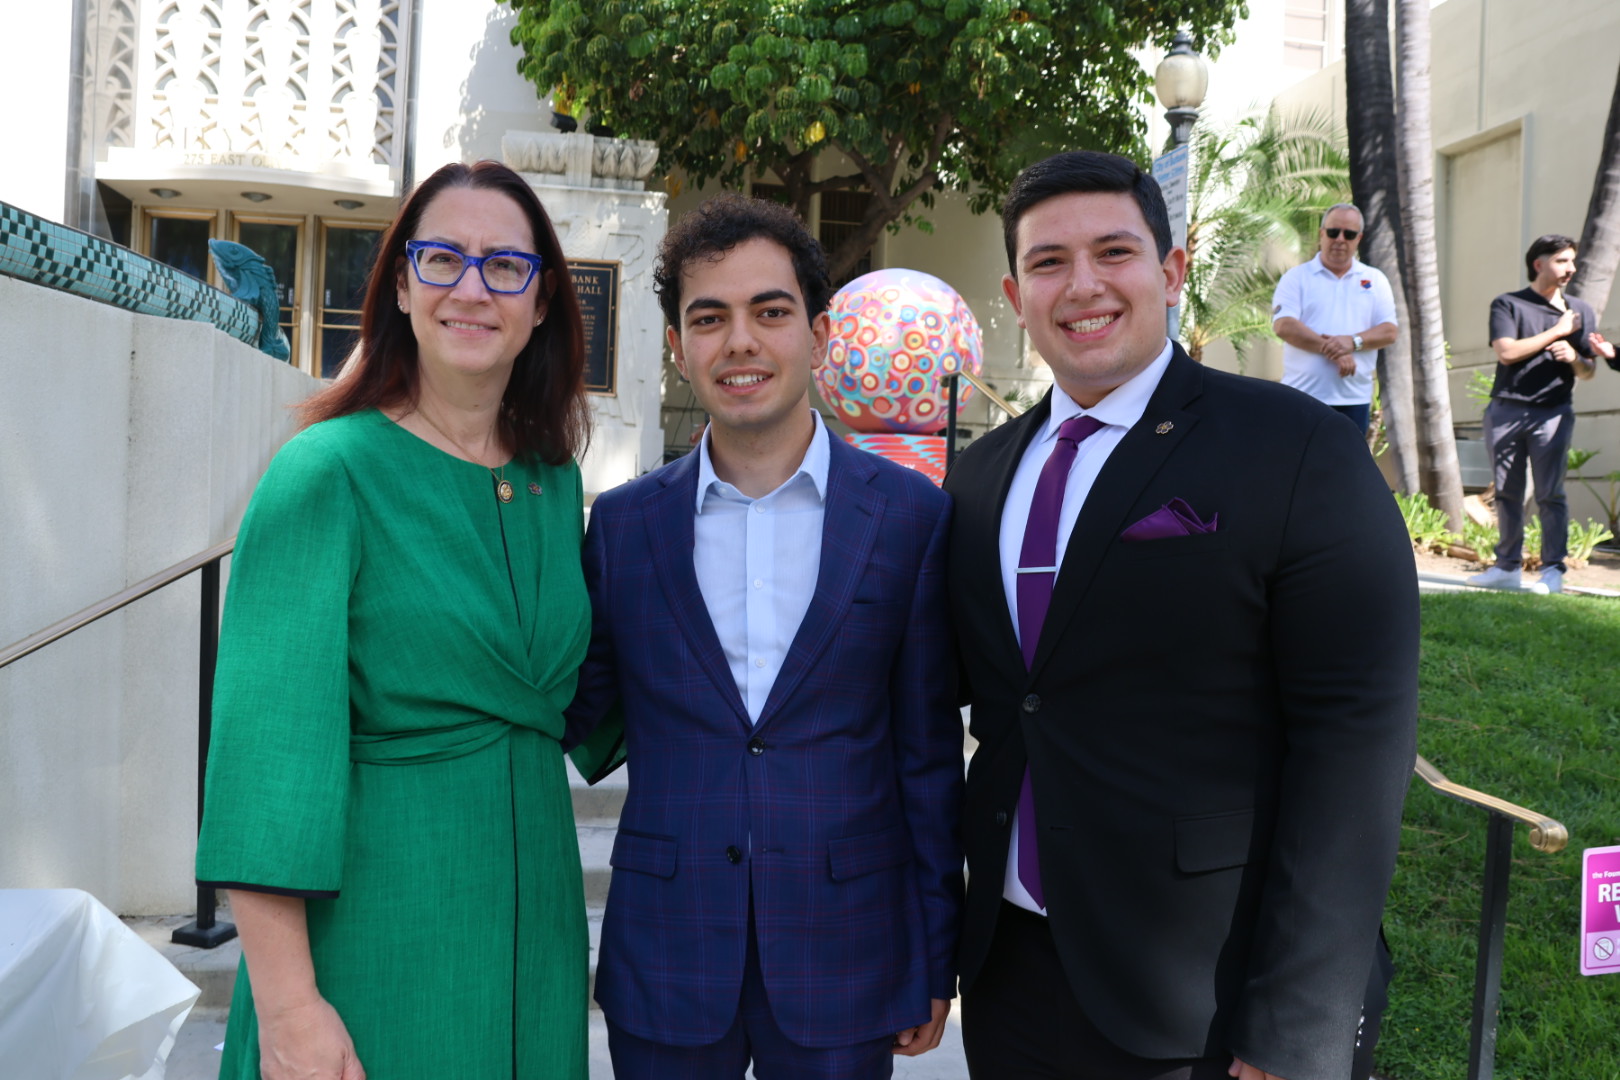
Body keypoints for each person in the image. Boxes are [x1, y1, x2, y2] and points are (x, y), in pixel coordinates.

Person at [943, 150, 1418, 1080]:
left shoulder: (1295, 448)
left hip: (1208, 993)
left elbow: (1356, 736)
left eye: (1113, 252)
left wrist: (1299, 1020)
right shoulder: (980, 475)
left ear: (1169, 270)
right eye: (1048, 263)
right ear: (1015, 291)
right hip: (1014, 979)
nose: (1082, 286)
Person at [195, 160, 594, 1080]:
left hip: (533, 944)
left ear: (541, 304)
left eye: (505, 266)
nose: (471, 287)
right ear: (403, 284)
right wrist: (291, 1008)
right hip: (375, 944)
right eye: (443, 258)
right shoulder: (325, 474)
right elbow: (265, 773)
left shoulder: (549, 483)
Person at [565, 193, 963, 1079]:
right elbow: (577, 705)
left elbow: (926, 756)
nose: (740, 341)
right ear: (677, 347)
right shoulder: (623, 527)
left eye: (770, 312)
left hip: (846, 954)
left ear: (818, 335)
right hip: (667, 952)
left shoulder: (909, 518)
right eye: (709, 319)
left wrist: (936, 950)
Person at [1468, 233, 1616, 594]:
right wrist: (1557, 332)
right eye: (1562, 261)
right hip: (1506, 409)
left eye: (1572, 261)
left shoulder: (1581, 310)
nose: (1571, 268)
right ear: (1539, 264)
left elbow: (1589, 370)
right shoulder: (1508, 304)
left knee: (1551, 494)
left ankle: (1552, 571)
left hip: (1553, 413)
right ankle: (1506, 567)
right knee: (1507, 492)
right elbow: (1506, 352)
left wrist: (1575, 359)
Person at [1270, 203, 1399, 435]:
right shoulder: (1296, 278)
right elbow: (1284, 325)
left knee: (1347, 471)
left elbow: (1389, 330)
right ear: (1322, 234)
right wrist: (1335, 350)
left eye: (1348, 234)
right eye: (1333, 232)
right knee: (1297, 470)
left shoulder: (1375, 279)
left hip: (1354, 401)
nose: (1340, 239)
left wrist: (1353, 341)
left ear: (1358, 238)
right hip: (1302, 396)